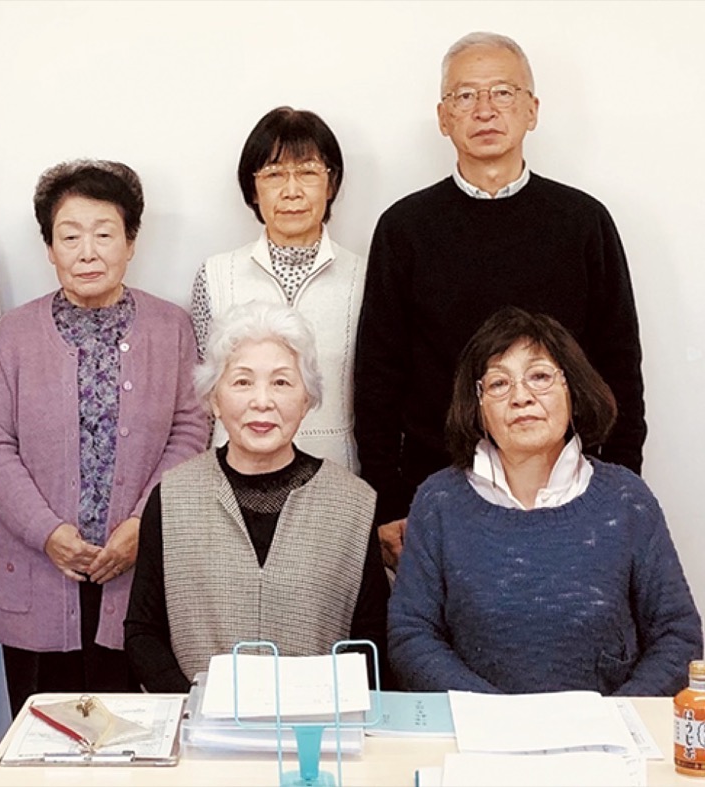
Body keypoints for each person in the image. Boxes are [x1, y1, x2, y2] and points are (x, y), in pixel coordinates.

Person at [355, 31, 646, 570]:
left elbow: (619, 364)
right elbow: (378, 375)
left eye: (503, 93)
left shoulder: (583, 222)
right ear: (443, 117)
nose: (484, 110)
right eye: (465, 95)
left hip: (568, 487)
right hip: (436, 489)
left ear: (532, 110)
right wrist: (388, 499)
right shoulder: (404, 227)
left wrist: (623, 484)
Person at [0, 159, 209, 716]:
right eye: (70, 236)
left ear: (130, 242)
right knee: (43, 737)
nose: (87, 252)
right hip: (40, 567)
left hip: (135, 566)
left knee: (136, 734)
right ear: (49, 249)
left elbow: (190, 428)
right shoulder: (13, 334)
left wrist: (140, 527)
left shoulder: (171, 327)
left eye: (104, 235)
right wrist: (49, 533)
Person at [389, 307, 701, 695]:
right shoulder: (438, 502)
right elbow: (411, 635)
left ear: (573, 390)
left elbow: (678, 635)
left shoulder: (626, 499)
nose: (521, 397)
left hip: (607, 728)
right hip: (478, 728)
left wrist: (616, 714)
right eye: (499, 383)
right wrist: (495, 715)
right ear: (477, 406)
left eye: (539, 377)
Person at [125, 302, 389, 693]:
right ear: (215, 399)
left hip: (317, 722)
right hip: (200, 721)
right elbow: (143, 633)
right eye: (242, 382)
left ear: (307, 399)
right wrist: (196, 705)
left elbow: (371, 638)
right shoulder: (173, 497)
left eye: (281, 382)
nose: (262, 401)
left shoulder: (353, 504)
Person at [192, 107, 365, 470]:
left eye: (307, 172)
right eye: (274, 174)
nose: (291, 191)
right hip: (233, 475)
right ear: (253, 189)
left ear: (331, 184)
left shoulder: (364, 277)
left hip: (335, 472)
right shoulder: (216, 275)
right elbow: (202, 400)